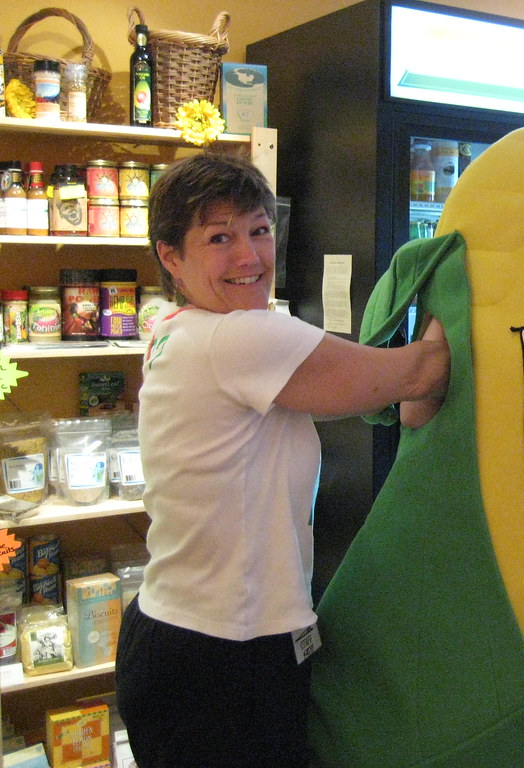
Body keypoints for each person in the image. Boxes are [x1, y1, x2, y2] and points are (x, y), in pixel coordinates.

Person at [115, 152, 449, 768]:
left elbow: (366, 394)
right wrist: (457, 284)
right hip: (221, 656)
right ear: (170, 256)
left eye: (260, 231)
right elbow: (423, 372)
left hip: (175, 636)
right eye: (220, 238)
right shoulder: (241, 338)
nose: (249, 257)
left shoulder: (174, 328)